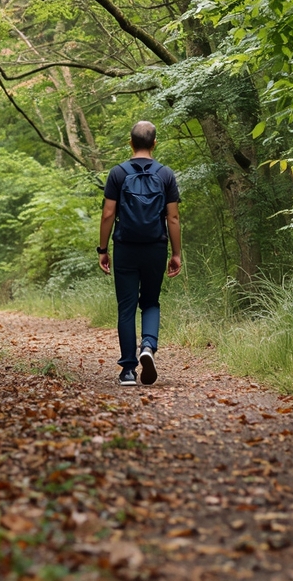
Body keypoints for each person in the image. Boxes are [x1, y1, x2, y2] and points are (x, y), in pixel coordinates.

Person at [97, 120, 182, 386]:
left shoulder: (118, 173)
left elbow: (108, 214)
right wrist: (176, 253)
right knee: (151, 302)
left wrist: (103, 249)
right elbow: (173, 218)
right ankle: (148, 346)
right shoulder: (166, 174)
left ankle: (127, 371)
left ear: (130, 142)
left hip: (125, 247)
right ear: (154, 143)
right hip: (156, 246)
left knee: (126, 307)